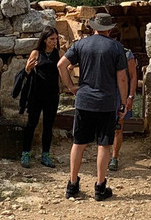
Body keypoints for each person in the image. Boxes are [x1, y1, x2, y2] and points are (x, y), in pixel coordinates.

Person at [57, 13, 127, 201]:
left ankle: (72, 184)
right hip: (106, 102)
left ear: (93, 27)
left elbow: (61, 65)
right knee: (104, 144)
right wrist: (123, 102)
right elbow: (121, 78)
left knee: (79, 143)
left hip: (84, 99)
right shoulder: (116, 47)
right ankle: (100, 186)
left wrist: (71, 86)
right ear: (110, 29)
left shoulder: (81, 44)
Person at [20, 27, 63, 169]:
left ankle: (45, 155)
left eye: (56, 39)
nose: (54, 41)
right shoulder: (36, 53)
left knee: (48, 125)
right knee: (31, 124)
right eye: (51, 39)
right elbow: (27, 72)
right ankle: (26, 153)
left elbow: (65, 69)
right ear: (44, 39)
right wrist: (28, 68)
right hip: (36, 94)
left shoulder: (59, 54)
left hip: (52, 95)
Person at [108, 29, 137, 172]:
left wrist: (130, 96)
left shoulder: (126, 54)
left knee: (118, 127)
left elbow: (133, 76)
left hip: (120, 94)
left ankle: (114, 157)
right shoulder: (103, 52)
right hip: (106, 93)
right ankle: (105, 155)